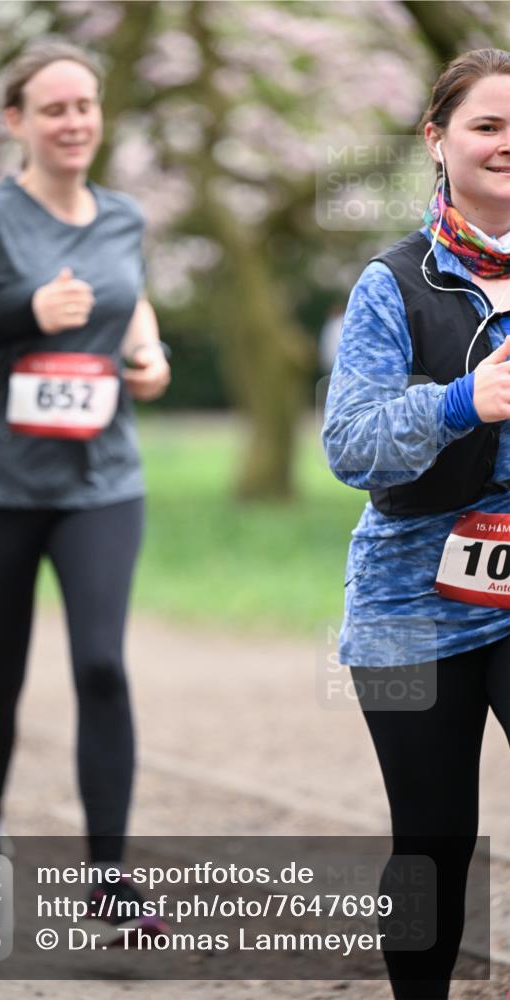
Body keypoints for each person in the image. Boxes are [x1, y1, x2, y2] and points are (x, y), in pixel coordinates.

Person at [0, 37, 171, 939]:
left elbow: (129, 300)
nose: (72, 122)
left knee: (101, 666)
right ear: (16, 121)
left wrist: (148, 354)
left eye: (84, 105)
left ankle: (109, 879)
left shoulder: (124, 217)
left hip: (101, 482)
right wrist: (24, 313)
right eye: (53, 108)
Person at [322, 49, 510, 999]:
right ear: (436, 140)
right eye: (487, 125)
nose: (507, 144)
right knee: (434, 839)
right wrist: (461, 402)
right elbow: (350, 444)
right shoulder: (391, 283)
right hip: (409, 604)